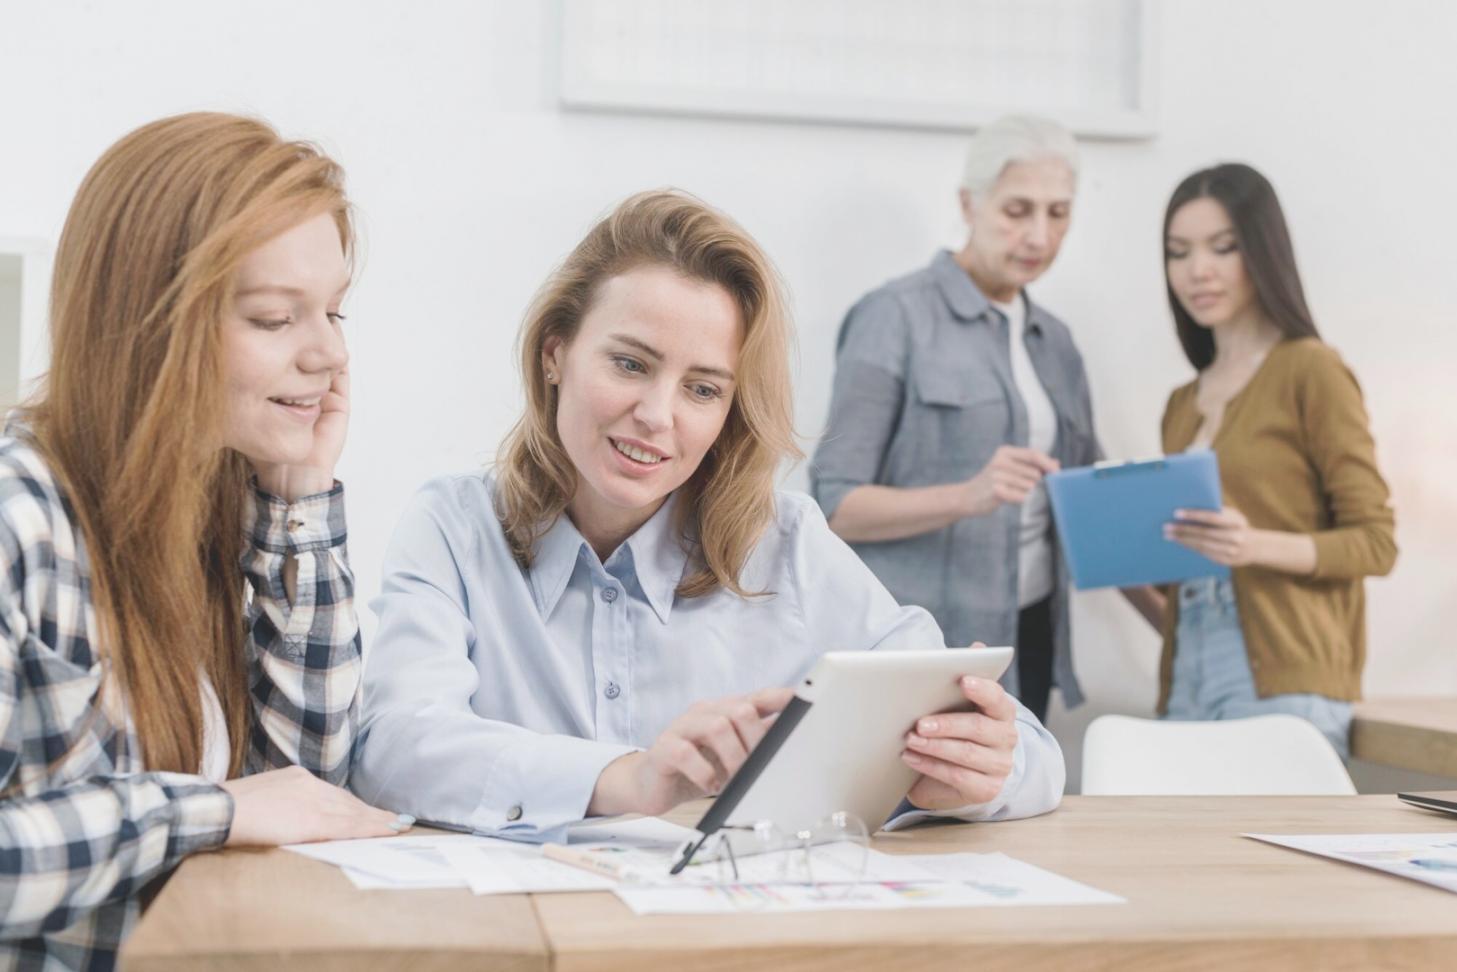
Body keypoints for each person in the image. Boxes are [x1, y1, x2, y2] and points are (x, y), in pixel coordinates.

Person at [352, 190, 1064, 838]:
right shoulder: (454, 527)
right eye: (630, 364)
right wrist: (632, 777)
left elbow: (1030, 753)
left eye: (701, 389)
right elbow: (393, 746)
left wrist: (976, 774)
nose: (657, 416)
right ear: (554, 354)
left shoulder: (785, 545)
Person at [0, 113, 409, 968]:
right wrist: (206, 811)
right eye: (273, 319)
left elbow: (301, 784)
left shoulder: (213, 494)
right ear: (150, 324)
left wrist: (297, 502)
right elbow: (245, 809)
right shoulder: (20, 514)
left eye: (334, 312)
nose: (330, 354)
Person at [810, 116, 1160, 723]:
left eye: (1058, 213)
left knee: (1015, 814)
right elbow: (834, 507)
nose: (1038, 235)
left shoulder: (1057, 343)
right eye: (1017, 210)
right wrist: (965, 495)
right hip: (921, 646)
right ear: (969, 204)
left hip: (1030, 635)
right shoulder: (894, 318)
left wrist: (1175, 625)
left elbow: (1089, 506)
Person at [1156, 162, 1396, 758]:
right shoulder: (1182, 404)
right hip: (1185, 672)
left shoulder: (1311, 370)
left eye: (1223, 247)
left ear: (1261, 251)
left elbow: (1375, 542)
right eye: (1179, 252)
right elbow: (1181, 567)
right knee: (1178, 852)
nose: (1198, 271)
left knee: (1261, 852)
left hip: (1283, 676)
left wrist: (1252, 546)